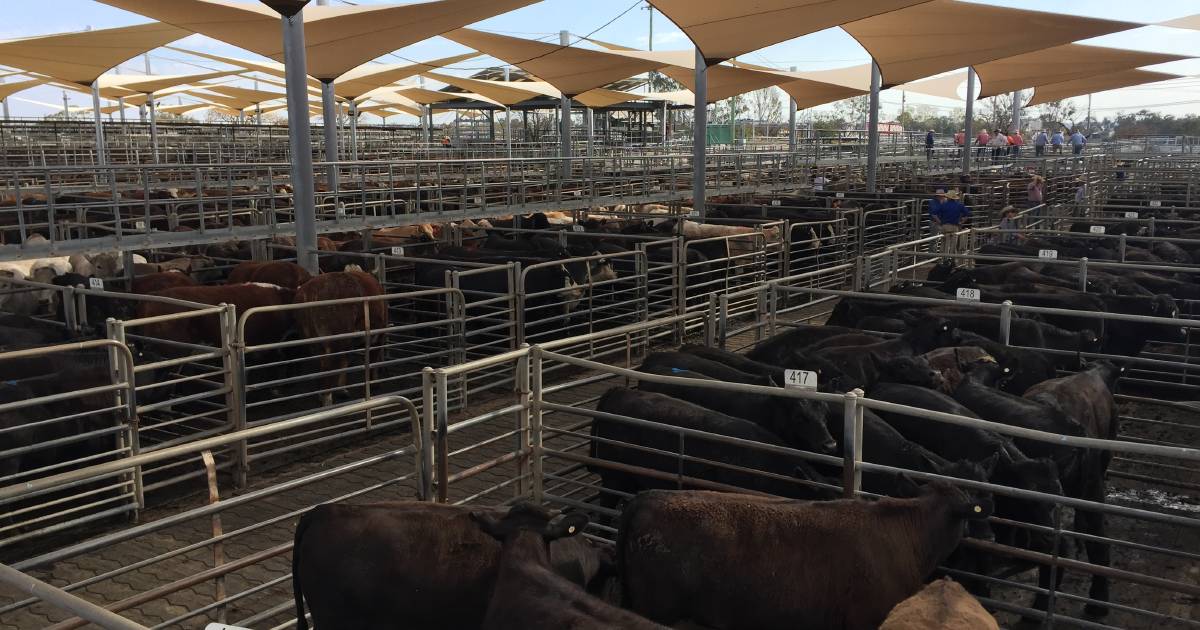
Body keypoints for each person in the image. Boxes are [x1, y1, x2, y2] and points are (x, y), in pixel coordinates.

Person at [929, 189, 969, 257]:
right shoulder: (959, 205)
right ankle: (952, 259)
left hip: (944, 226)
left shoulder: (943, 205)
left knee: (943, 243)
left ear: (948, 197)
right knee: (953, 243)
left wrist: (940, 222)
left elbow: (933, 214)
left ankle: (942, 259)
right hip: (954, 226)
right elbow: (967, 214)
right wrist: (961, 222)